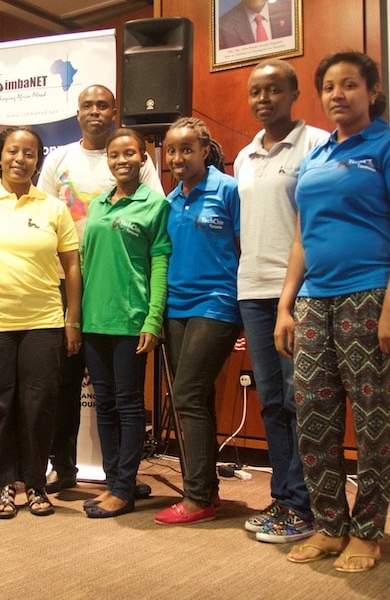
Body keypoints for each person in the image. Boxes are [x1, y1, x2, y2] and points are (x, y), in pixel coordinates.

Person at [275, 51, 390, 572]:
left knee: (373, 420)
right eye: (329, 87)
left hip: (373, 296)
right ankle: (330, 526)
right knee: (314, 418)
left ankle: (367, 533)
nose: (338, 94)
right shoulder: (315, 158)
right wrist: (286, 304)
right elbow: (302, 239)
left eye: (350, 84)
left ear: (372, 91)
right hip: (315, 299)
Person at [35, 84, 163, 496]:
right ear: (77, 113)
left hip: (122, 292)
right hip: (65, 286)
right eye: (87, 105)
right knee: (64, 385)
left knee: (122, 398)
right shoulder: (59, 160)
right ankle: (64, 467)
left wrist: (152, 311)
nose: (94, 111)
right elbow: (43, 215)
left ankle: (122, 479)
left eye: (102, 105)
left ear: (113, 111)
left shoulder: (139, 171)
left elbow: (156, 233)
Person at [0, 126, 81, 519]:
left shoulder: (53, 208)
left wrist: (72, 318)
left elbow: (72, 265)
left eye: (29, 153)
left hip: (42, 320)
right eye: (13, 151)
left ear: (37, 161)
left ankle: (35, 483)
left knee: (39, 403)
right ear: (0, 157)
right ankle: (2, 483)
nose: (20, 159)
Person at [234, 59, 329, 544]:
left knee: (300, 400)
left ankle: (304, 503)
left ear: (294, 94)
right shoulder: (244, 156)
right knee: (271, 401)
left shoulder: (317, 144)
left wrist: (291, 300)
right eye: (255, 91)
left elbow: (313, 225)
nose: (263, 99)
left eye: (273, 90)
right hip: (252, 292)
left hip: (299, 292)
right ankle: (284, 498)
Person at [154, 117, 243, 526]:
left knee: (186, 394)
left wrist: (246, 314)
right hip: (177, 309)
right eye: (172, 151)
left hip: (217, 303)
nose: (177, 158)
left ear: (205, 151)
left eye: (187, 149)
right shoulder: (170, 201)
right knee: (198, 396)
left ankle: (196, 498)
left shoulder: (228, 190)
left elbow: (245, 248)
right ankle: (207, 490)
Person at [80, 129, 171, 519]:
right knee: (105, 405)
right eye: (114, 154)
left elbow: (160, 265)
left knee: (129, 405)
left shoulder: (155, 204)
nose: (122, 160)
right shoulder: (97, 205)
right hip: (94, 319)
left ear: (143, 158)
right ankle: (116, 480)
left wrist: (153, 319)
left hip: (131, 319)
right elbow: (85, 261)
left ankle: (122, 488)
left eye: (130, 153)